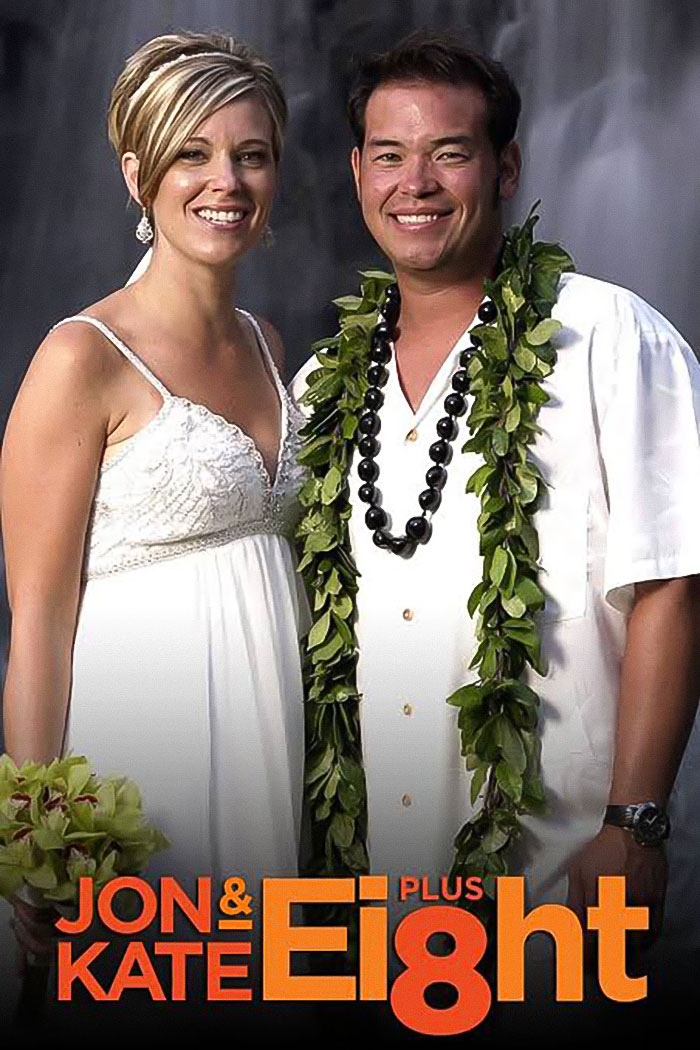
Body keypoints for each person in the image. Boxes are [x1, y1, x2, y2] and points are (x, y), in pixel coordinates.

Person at [293, 30, 700, 969]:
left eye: (450, 153)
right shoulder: (322, 387)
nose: (416, 184)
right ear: (357, 172)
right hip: (372, 899)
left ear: (506, 167)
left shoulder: (607, 335)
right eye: (389, 155)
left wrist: (635, 825)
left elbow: (672, 585)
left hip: (562, 875)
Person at [1, 31, 308, 970]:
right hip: (145, 750)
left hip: (273, 729)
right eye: (193, 152)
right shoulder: (80, 358)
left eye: (251, 155)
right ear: (139, 175)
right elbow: (40, 626)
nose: (227, 180)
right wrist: (38, 835)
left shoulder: (266, 341)